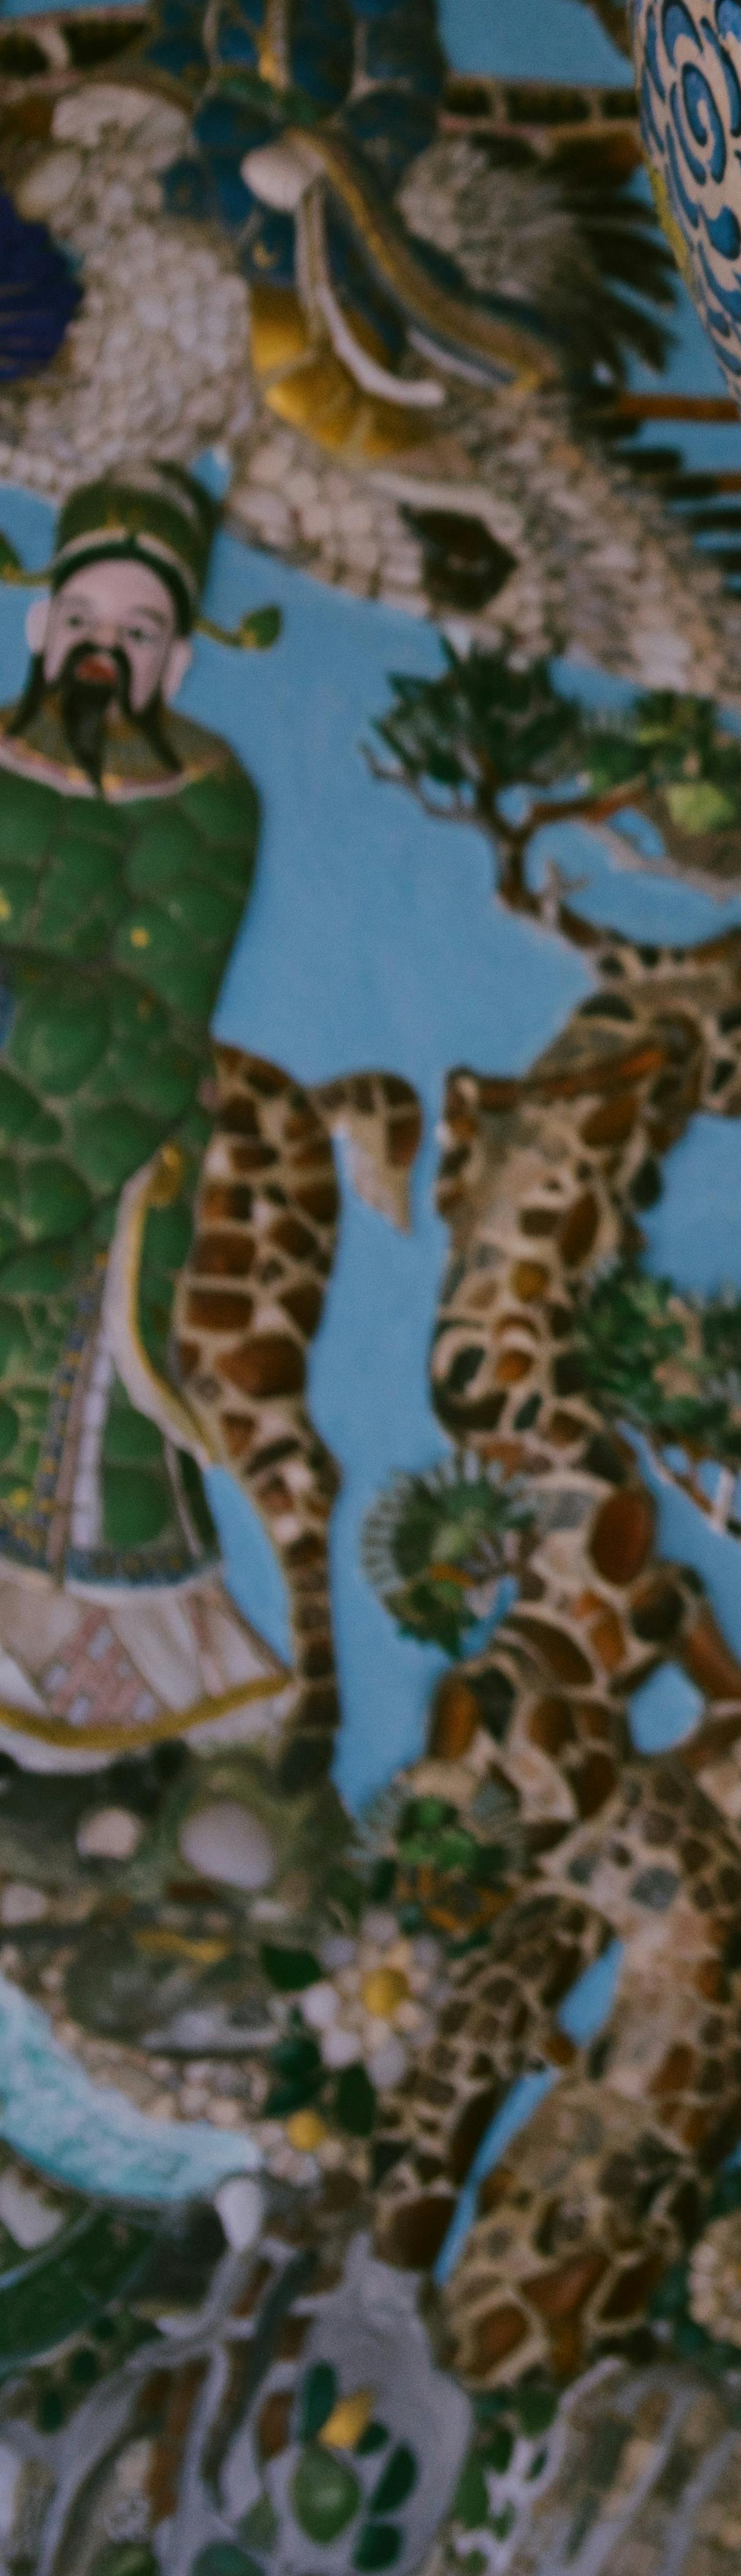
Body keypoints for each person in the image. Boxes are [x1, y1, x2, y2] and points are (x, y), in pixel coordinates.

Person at [0, 469, 292, 1765]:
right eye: (86, 620)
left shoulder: (208, 801)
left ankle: (108, 1692)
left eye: (139, 632)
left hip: (104, 1151)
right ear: (37, 628)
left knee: (76, 1408)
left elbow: (155, 1015)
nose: (103, 652)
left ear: (174, 664)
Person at [142, 0, 557, 459]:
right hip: (213, 148)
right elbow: (173, 46)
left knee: (344, 291)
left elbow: (404, 82)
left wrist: (321, 152)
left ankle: (440, 419)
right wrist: (137, 103)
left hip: (315, 157)